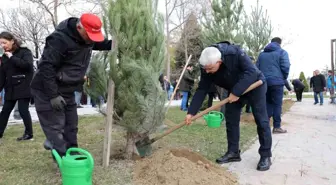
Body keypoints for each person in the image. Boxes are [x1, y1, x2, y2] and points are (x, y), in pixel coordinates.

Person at [30, 13, 113, 159]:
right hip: (47, 89)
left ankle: (72, 153)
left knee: (71, 126)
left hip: (68, 89)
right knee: (56, 126)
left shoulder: (87, 39)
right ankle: (63, 159)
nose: (91, 40)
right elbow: (46, 68)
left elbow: (101, 43)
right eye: (89, 35)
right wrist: (53, 95)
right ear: (79, 27)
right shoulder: (58, 40)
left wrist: (118, 43)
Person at [185, 41, 272, 171]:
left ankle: (265, 156)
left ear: (219, 62)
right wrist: (191, 112)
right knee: (231, 120)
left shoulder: (234, 53)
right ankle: (233, 152)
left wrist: (237, 92)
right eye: (205, 69)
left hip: (255, 85)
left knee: (261, 119)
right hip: (233, 90)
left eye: (210, 69)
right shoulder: (206, 66)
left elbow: (252, 72)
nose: (207, 72)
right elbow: (202, 89)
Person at [0, 32, 34, 142]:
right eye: (1, 43)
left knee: (23, 110)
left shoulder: (25, 51)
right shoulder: (4, 57)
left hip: (24, 85)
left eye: (4, 43)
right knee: (5, 111)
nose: (3, 45)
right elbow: (2, 75)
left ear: (12, 41)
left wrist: (12, 57)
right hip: (10, 87)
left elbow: (27, 66)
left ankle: (29, 134)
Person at [256, 37, 290, 134]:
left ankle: (264, 127)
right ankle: (276, 127)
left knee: (267, 104)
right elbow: (286, 67)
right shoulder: (282, 52)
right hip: (277, 82)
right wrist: (283, 77)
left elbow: (256, 68)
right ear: (280, 43)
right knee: (277, 105)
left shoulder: (262, 55)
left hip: (263, 83)